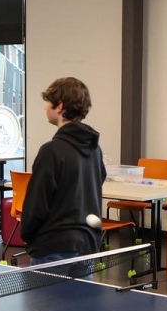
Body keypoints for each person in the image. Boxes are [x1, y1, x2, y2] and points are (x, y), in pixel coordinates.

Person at [20, 77, 106, 265]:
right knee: (82, 296)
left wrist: (26, 234)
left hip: (52, 246)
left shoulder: (51, 151)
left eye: (48, 103)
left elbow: (37, 202)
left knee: (45, 297)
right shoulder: (94, 149)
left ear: (59, 107)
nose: (45, 108)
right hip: (86, 245)